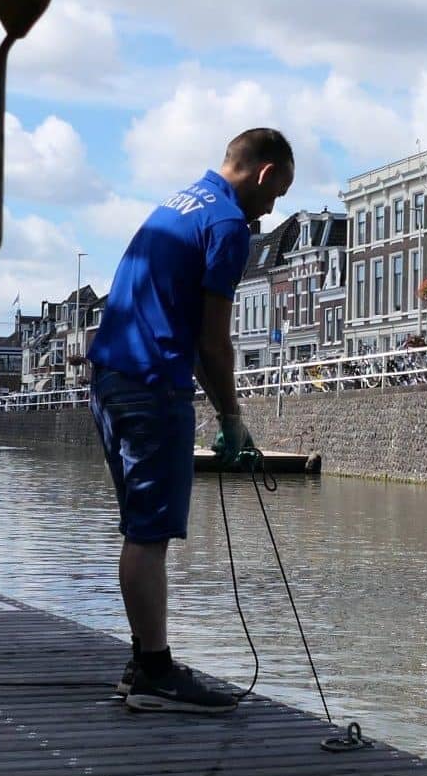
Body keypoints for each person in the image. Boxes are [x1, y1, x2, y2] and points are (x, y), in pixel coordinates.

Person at [88, 127, 294, 714]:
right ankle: (155, 672)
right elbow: (213, 340)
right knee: (149, 534)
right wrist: (232, 416)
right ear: (264, 173)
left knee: (140, 528)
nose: (271, 209)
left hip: (112, 379)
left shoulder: (177, 205)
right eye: (276, 193)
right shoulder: (227, 225)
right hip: (153, 384)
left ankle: (142, 662)